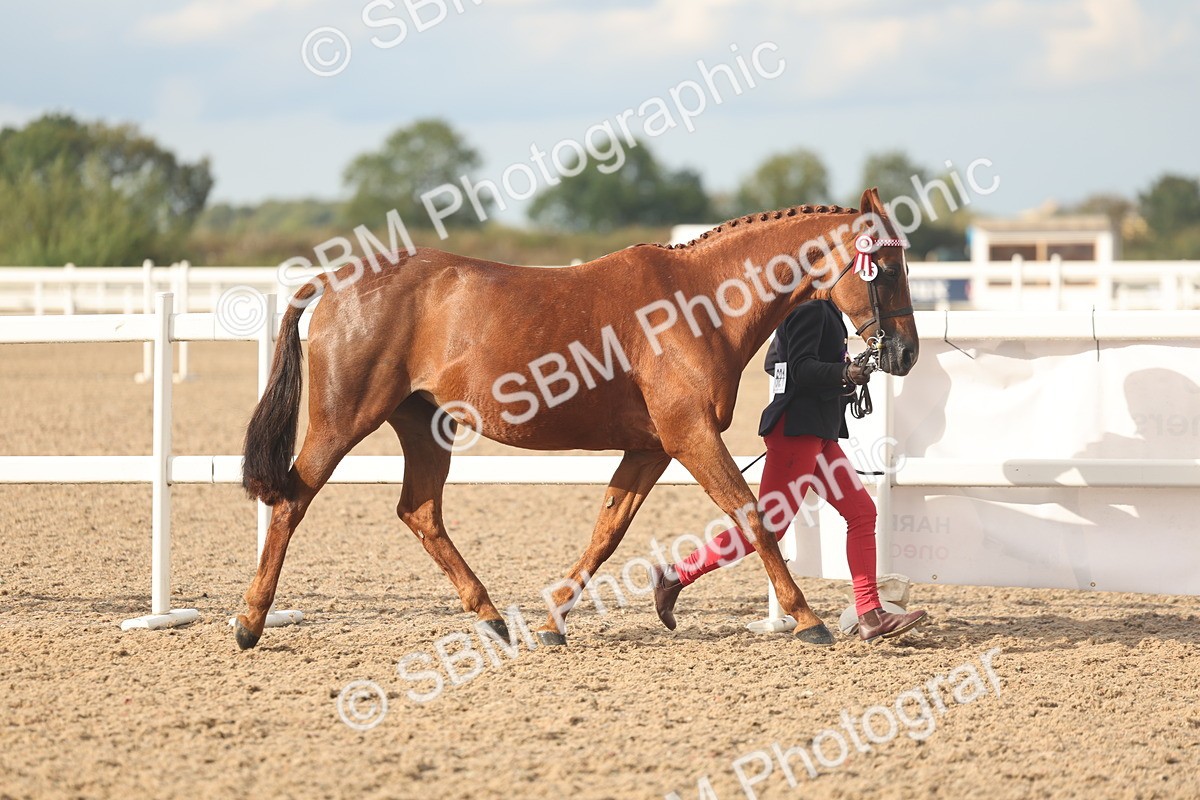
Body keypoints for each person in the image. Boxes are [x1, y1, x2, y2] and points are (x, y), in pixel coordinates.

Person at [650, 299, 928, 645]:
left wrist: (840, 372)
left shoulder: (821, 310)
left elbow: (775, 364)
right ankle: (676, 574)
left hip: (818, 432)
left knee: (861, 512)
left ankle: (870, 613)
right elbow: (799, 368)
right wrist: (843, 373)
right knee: (769, 527)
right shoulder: (812, 310)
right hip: (798, 432)